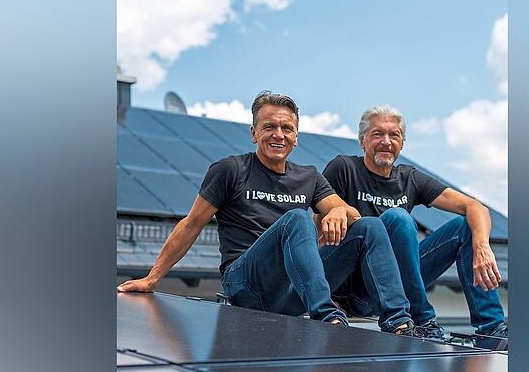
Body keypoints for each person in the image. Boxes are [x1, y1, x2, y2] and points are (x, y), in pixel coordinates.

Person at [118, 92, 422, 337]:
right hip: (247, 284)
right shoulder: (231, 170)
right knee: (297, 218)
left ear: (296, 137)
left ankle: (398, 321)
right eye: (269, 127)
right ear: (254, 133)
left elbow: (352, 215)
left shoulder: (309, 177)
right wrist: (152, 278)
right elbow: (191, 224)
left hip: (292, 290)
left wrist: (338, 211)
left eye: (287, 128)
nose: (279, 135)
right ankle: (327, 318)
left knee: (369, 225)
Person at [321, 105, 508, 342]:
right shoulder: (344, 168)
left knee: (465, 226)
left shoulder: (409, 178)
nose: (386, 141)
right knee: (398, 218)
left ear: (402, 143)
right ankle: (423, 320)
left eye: (394, 135)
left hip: (400, 287)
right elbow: (319, 223)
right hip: (355, 292)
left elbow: (475, 207)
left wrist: (482, 247)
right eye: (378, 134)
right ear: (362, 141)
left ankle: (491, 328)